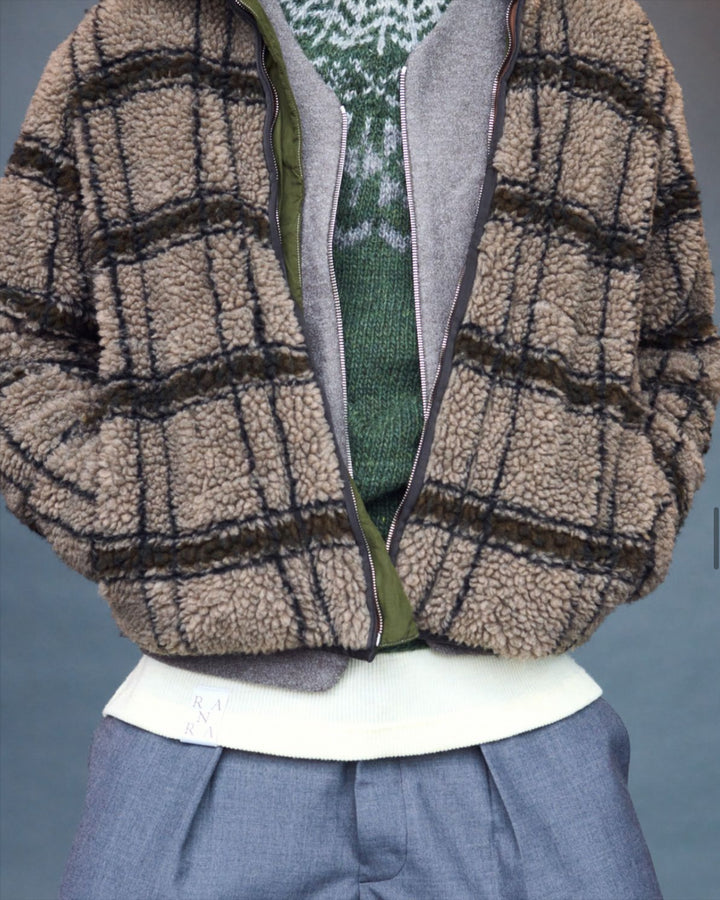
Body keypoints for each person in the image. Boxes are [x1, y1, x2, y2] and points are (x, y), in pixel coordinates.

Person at [0, 0, 718, 896]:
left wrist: (610, 521)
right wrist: (143, 521)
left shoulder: (597, 38)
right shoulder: (131, 41)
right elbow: (20, 343)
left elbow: (676, 342)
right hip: (203, 728)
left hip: (524, 722)